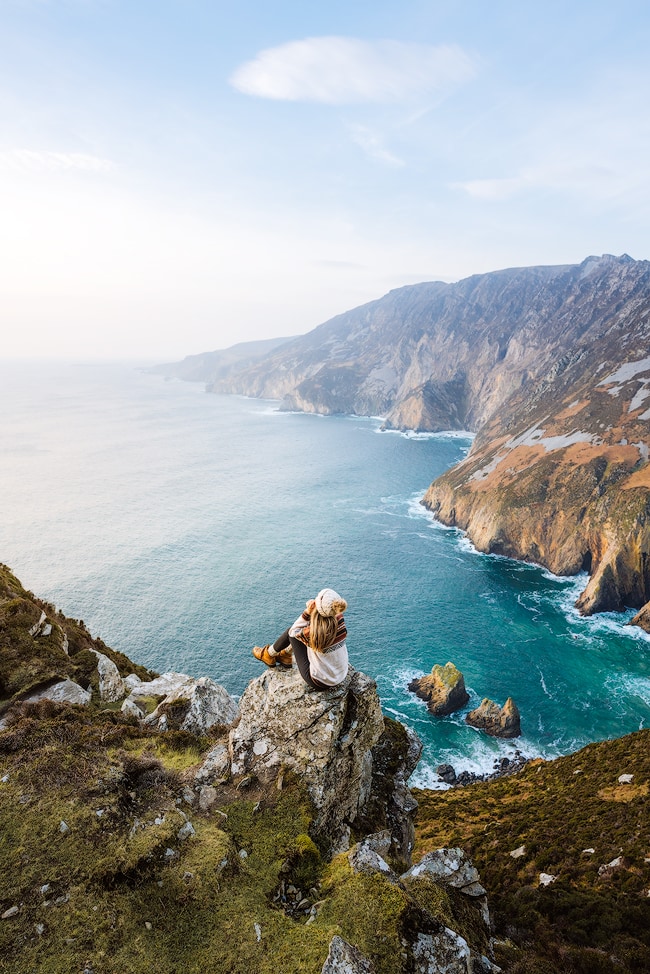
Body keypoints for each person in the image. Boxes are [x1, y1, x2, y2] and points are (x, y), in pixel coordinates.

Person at [252, 588, 349, 690]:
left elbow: (293, 632)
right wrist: (317, 610)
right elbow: (320, 623)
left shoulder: (312, 633)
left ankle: (268, 655)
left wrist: (307, 612)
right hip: (340, 676)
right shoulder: (340, 620)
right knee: (300, 633)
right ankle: (285, 655)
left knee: (292, 633)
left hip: (318, 682)